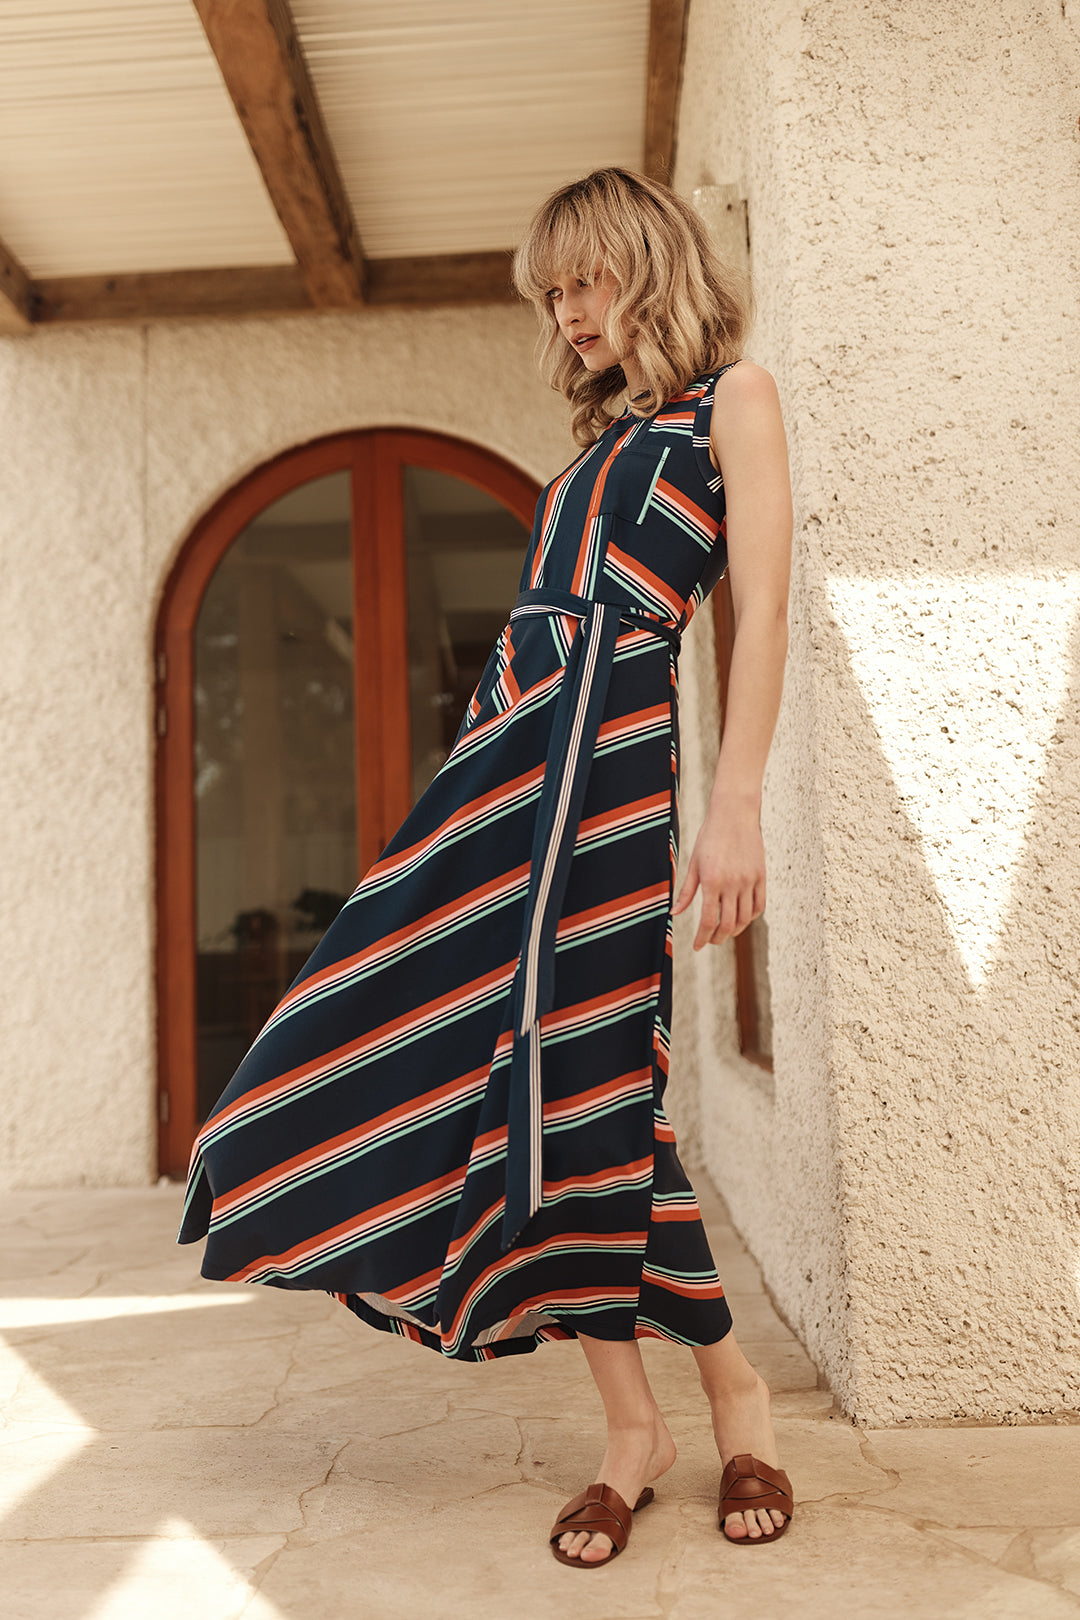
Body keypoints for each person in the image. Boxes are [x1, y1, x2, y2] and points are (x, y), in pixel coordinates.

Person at [178, 165, 794, 1566]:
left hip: (611, 777)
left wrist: (739, 798)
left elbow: (757, 616)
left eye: (583, 281)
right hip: (501, 779)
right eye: (551, 293)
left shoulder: (730, 406)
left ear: (647, 261)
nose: (567, 312)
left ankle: (713, 1404)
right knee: (429, 1041)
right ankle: (655, 1417)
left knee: (590, 1076)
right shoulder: (592, 452)